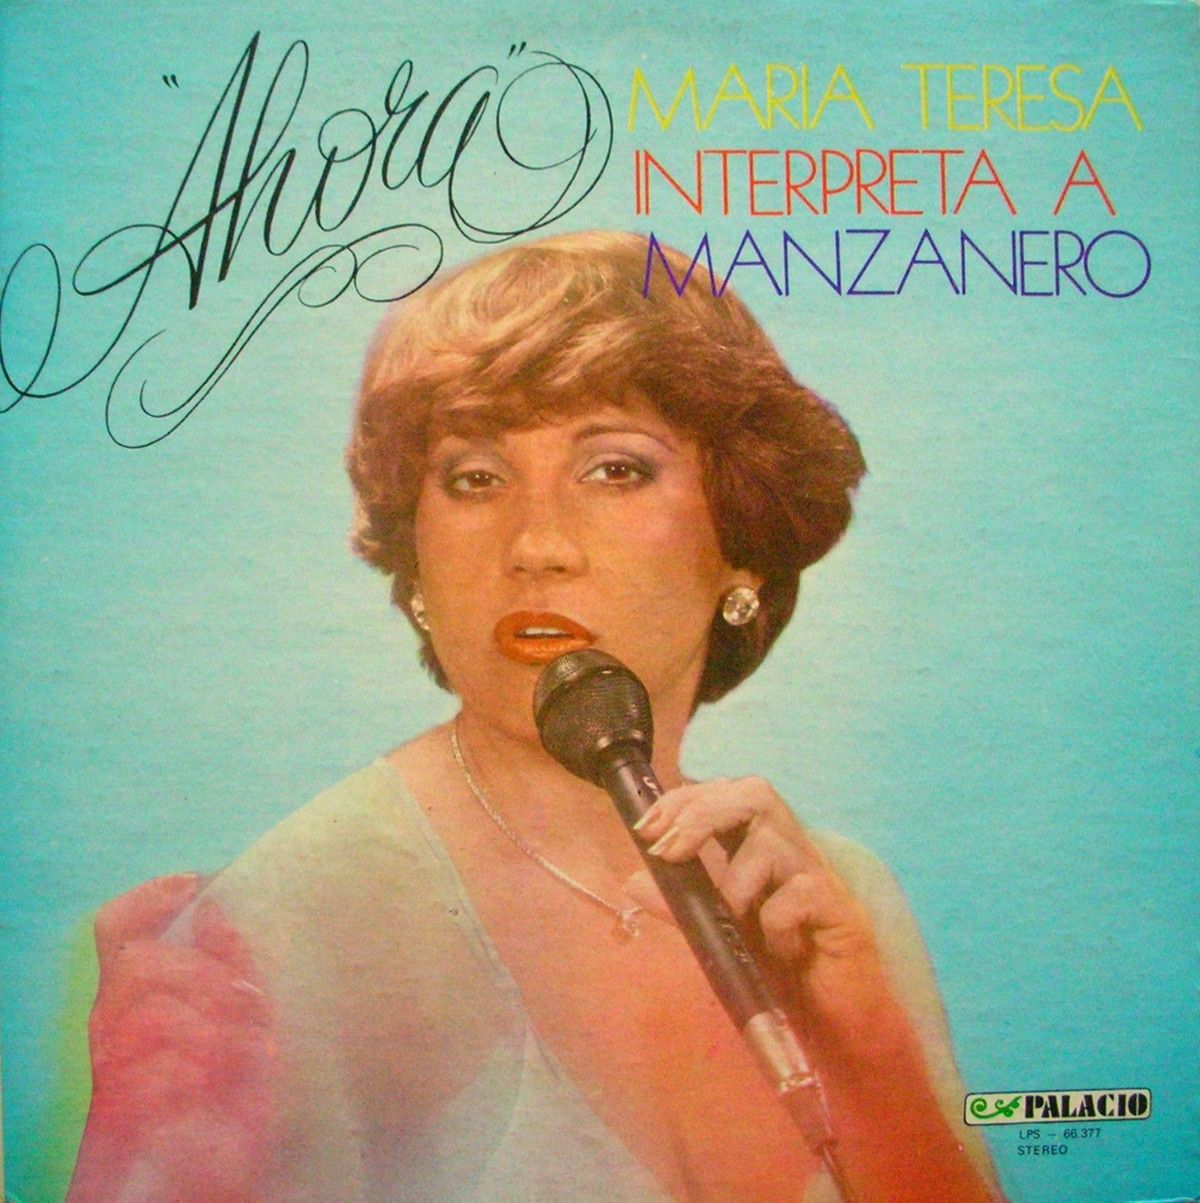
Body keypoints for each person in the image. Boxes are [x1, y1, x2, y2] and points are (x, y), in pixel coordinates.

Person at [68, 230, 1004, 1202]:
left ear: (743, 541)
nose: (537, 543)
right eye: (475, 478)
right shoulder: (286, 924)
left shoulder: (828, 901)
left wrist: (875, 1065)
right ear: (416, 559)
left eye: (614, 470)